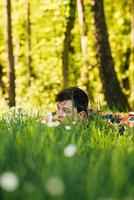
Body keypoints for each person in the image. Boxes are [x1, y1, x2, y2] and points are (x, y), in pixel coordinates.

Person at [55, 87, 134, 129]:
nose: (58, 114)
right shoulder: (55, 120)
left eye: (65, 110)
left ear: (81, 115)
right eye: (58, 109)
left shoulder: (102, 123)